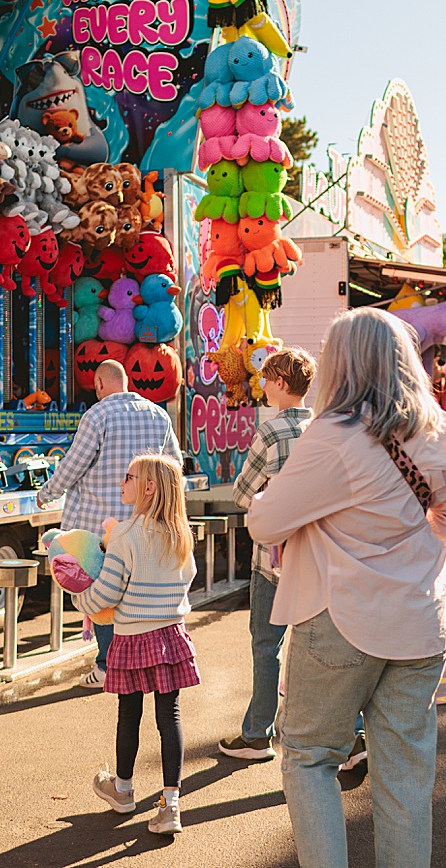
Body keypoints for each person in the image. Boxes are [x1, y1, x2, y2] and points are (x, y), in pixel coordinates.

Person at [245, 307, 446, 868]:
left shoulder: (334, 435)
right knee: (404, 775)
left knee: (310, 757)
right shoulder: (439, 428)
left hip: (341, 617)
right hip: (420, 619)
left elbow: (265, 524)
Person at [62, 453, 199, 835]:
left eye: (129, 477)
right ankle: (170, 805)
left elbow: (107, 591)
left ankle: (122, 790)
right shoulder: (180, 534)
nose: (123, 483)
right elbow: (187, 578)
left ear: (149, 487)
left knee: (129, 713)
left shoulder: (125, 534)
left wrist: (80, 600)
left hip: (132, 636)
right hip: (171, 634)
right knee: (169, 716)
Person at [37, 360, 182, 689]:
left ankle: (107, 665)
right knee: (134, 596)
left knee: (103, 596)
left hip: (100, 527)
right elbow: (174, 464)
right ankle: (136, 664)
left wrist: (47, 493)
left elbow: (73, 465)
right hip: (144, 522)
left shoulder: (97, 415)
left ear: (99, 384)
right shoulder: (158, 415)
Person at [218, 348, 316, 763]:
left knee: (266, 645)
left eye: (266, 378)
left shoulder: (272, 432)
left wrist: (267, 495)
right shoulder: (322, 429)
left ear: (280, 383)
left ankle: (258, 734)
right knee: (321, 646)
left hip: (272, 557)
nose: (261, 384)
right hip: (317, 555)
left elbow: (242, 493)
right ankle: (346, 734)